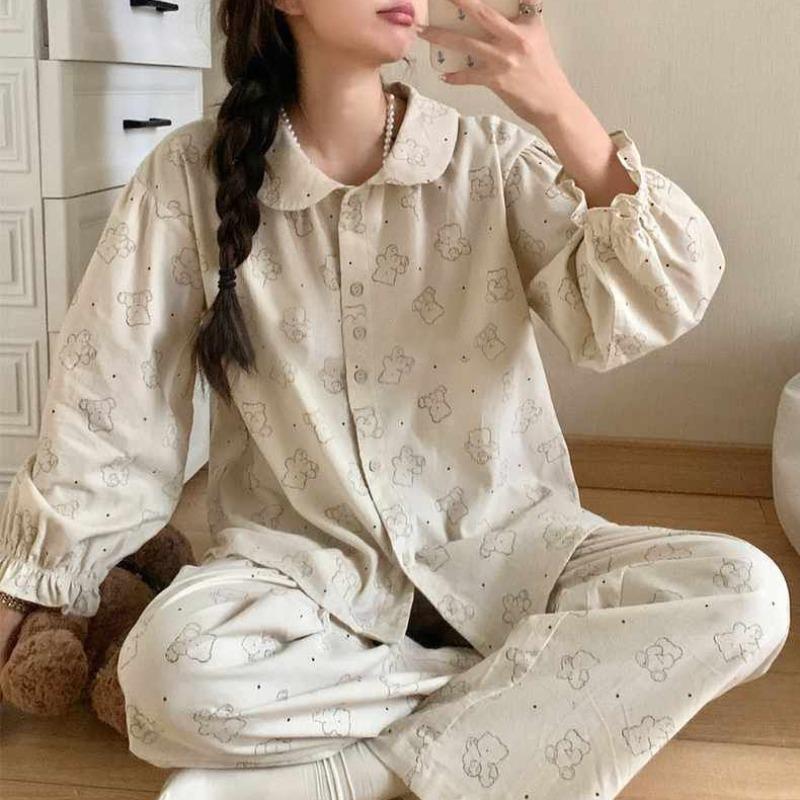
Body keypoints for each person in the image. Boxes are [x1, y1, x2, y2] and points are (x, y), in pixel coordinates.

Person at [0, 0, 790, 798]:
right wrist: (31, 582)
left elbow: (657, 297)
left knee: (747, 595)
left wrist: (558, 105)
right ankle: (520, 696)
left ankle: (356, 772)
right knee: (163, 675)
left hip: (511, 554)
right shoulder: (188, 176)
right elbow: (111, 400)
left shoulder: (487, 159)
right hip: (308, 581)